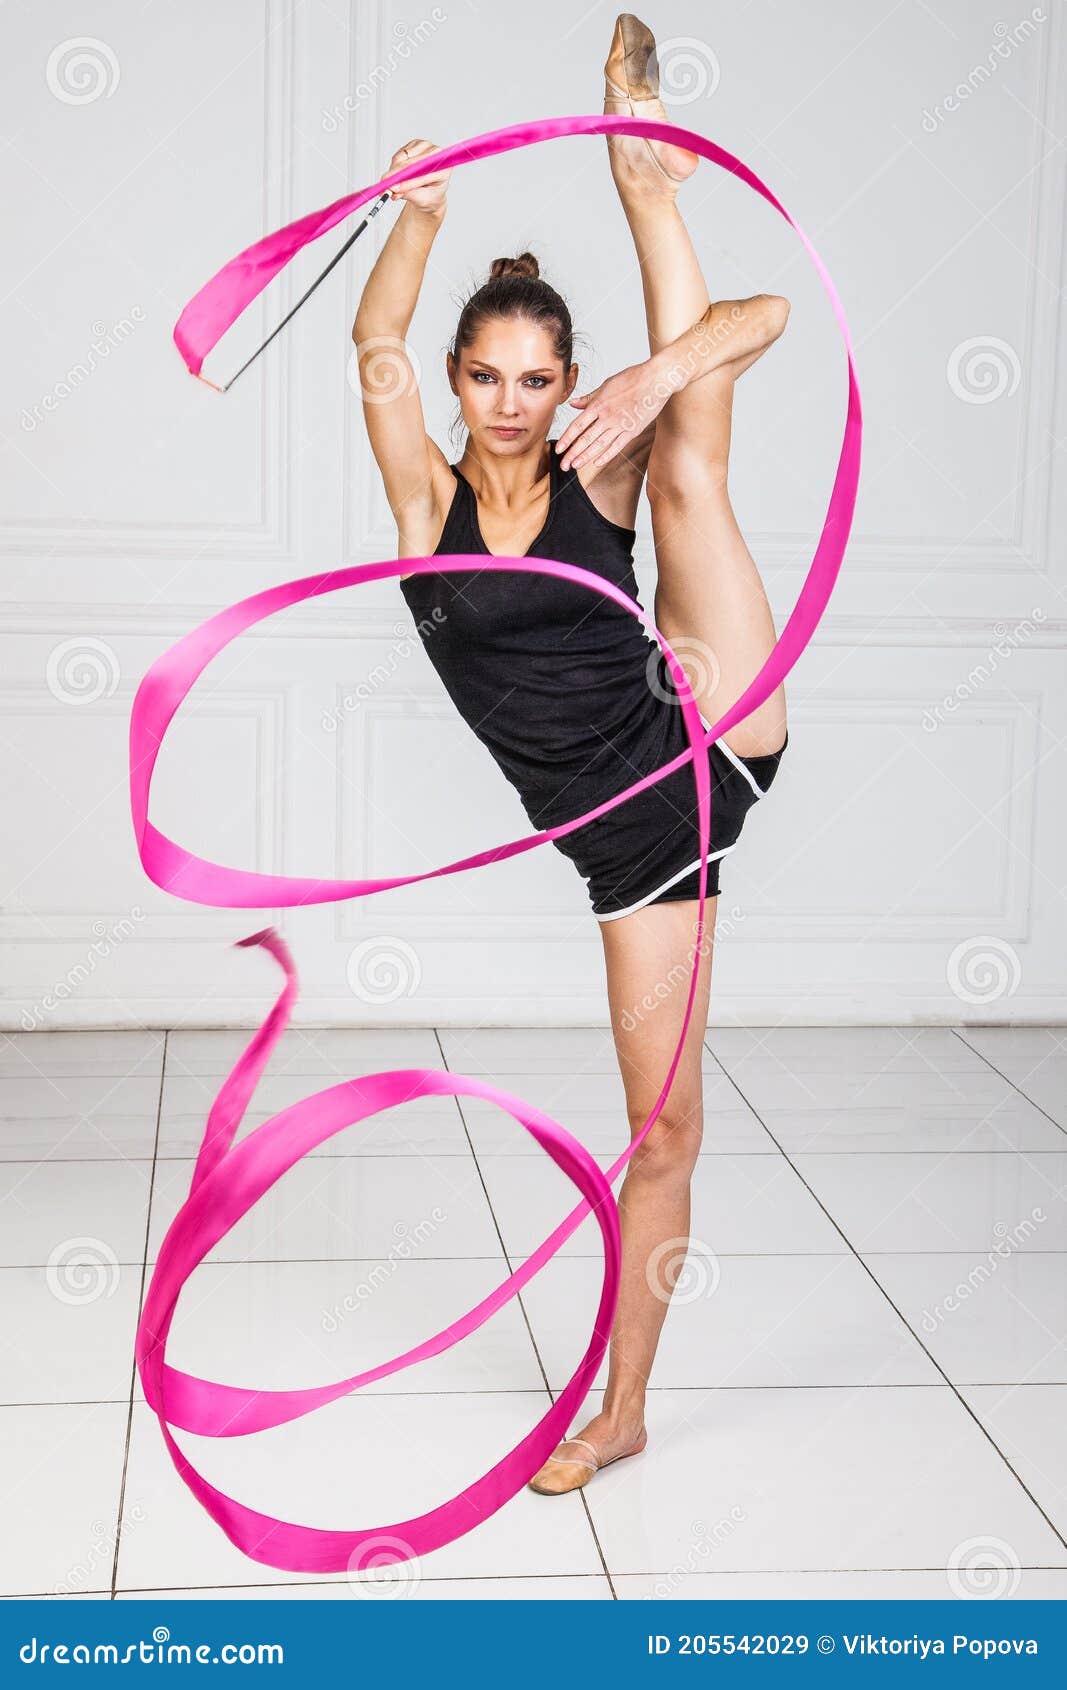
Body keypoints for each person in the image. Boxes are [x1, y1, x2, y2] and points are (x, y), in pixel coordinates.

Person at [352, 12, 790, 1495]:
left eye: (539, 381)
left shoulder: (593, 446)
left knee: (687, 446)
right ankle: (647, 183)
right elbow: (371, 347)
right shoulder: (425, 509)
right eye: (486, 377)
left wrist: (664, 373)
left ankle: (623, 1408)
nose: (512, 404)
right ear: (462, 376)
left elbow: (771, 314)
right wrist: (418, 224)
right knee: (675, 424)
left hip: (698, 754)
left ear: (560, 382)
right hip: (620, 824)